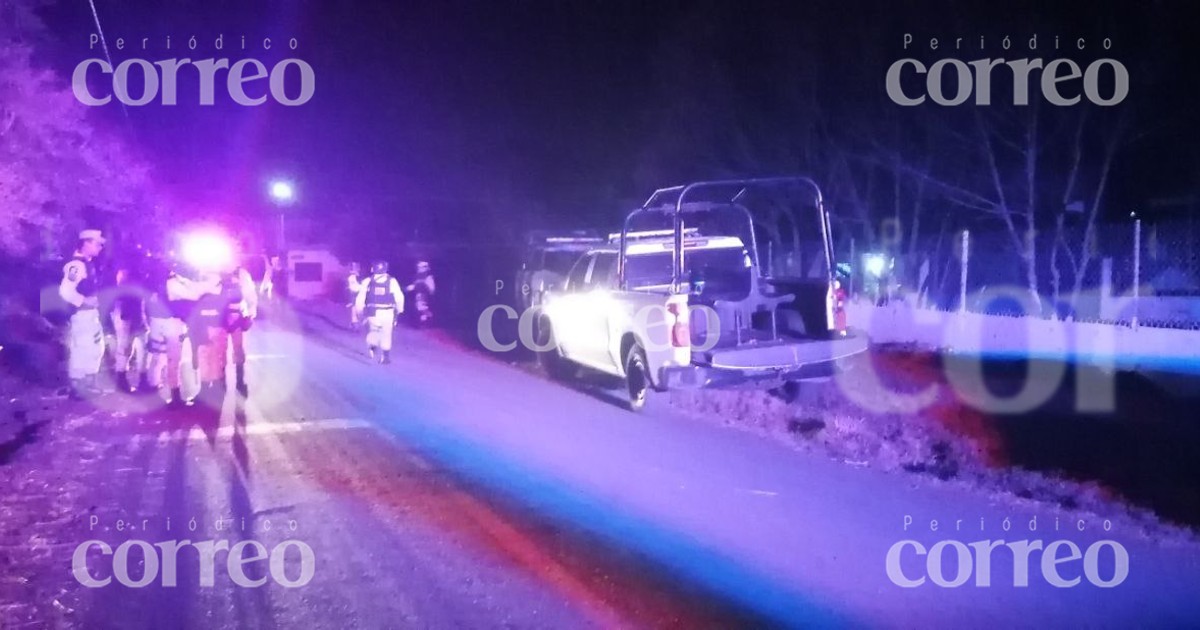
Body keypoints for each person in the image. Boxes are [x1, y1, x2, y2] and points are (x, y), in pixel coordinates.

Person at [58, 229, 106, 398]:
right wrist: (84, 301)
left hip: (90, 315)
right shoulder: (76, 266)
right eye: (97, 243)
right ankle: (78, 386)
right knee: (83, 349)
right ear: (86, 243)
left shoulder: (87, 263)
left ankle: (87, 384)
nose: (100, 247)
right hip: (82, 315)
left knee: (94, 348)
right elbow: (65, 291)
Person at [208, 263, 258, 395]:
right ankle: (221, 381)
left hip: (236, 316)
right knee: (220, 351)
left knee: (238, 349)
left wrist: (251, 314)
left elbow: (250, 296)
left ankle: (240, 381)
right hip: (220, 317)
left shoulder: (242, 274)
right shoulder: (214, 272)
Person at [107, 266, 151, 393]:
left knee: (135, 347)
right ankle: (124, 379)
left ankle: (131, 379)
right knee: (126, 347)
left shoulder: (130, 268)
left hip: (132, 310)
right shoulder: (128, 269)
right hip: (126, 311)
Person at [353, 261, 404, 363]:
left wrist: (359, 311)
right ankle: (385, 357)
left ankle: (372, 346)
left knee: (373, 331)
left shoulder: (367, 281)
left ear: (373, 269)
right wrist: (399, 310)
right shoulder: (392, 281)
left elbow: (360, 297)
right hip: (388, 312)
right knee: (386, 333)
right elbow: (399, 297)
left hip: (373, 312)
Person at [405, 260, 435, 327]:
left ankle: (428, 322)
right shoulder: (417, 276)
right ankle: (422, 322)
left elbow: (431, 289)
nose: (419, 268)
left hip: (424, 297)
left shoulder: (428, 277)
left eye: (421, 267)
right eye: (418, 267)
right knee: (419, 309)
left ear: (426, 268)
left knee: (423, 309)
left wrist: (420, 287)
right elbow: (413, 286)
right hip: (417, 296)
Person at [346, 262, 363, 328]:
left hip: (360, 295)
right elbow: (352, 288)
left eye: (356, 267)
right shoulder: (351, 277)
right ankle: (355, 324)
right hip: (355, 295)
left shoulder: (360, 277)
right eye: (354, 267)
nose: (356, 268)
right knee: (354, 310)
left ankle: (356, 324)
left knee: (358, 310)